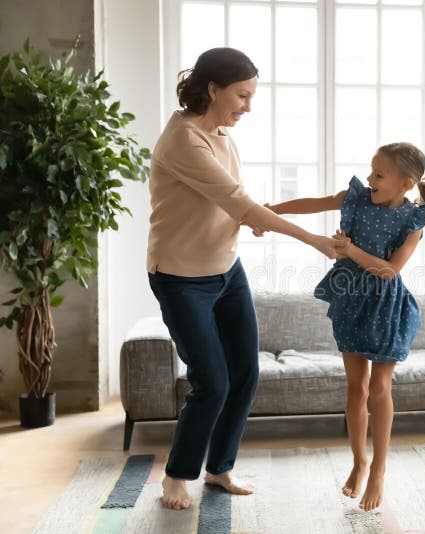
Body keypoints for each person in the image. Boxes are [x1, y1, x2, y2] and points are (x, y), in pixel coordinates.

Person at [146, 47, 336, 510]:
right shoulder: (184, 141)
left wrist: (250, 216)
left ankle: (219, 468)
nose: (248, 106)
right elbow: (238, 200)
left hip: (226, 271)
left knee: (245, 373)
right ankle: (177, 476)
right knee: (211, 381)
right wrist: (314, 240)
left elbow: (232, 201)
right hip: (181, 277)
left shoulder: (222, 137)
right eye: (242, 95)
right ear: (213, 89)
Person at [267, 142, 425, 511]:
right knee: (355, 388)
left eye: (379, 174)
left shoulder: (412, 221)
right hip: (350, 302)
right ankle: (360, 462)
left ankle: (379, 471)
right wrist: (268, 211)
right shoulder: (356, 198)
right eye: (371, 171)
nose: (370, 179)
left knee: (379, 387)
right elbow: (314, 202)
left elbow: (390, 270)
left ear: (405, 184)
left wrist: (349, 249)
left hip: (386, 307)